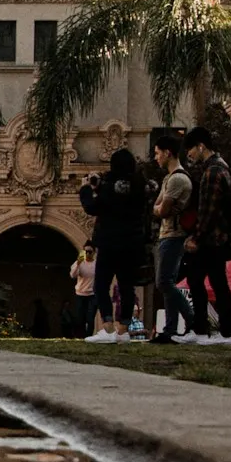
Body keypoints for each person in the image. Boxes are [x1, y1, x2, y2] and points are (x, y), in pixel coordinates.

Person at [77, 145, 148, 338]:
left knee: (101, 284)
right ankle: (124, 327)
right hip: (131, 243)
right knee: (126, 286)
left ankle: (107, 324)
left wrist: (86, 189)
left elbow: (92, 207)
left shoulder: (109, 187)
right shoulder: (138, 186)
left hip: (109, 242)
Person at [183, 124, 231, 338]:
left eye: (191, 149)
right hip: (217, 237)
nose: (189, 154)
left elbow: (209, 210)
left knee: (198, 280)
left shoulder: (212, 171)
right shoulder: (220, 167)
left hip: (210, 238)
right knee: (216, 282)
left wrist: (197, 237)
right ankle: (223, 330)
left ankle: (203, 329)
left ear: (200, 146)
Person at [149, 129, 196, 343]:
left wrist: (160, 208)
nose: (155, 157)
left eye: (157, 153)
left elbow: (162, 210)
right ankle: (169, 330)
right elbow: (156, 207)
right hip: (167, 234)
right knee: (166, 283)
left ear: (168, 153)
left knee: (164, 282)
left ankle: (192, 320)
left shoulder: (177, 179)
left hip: (174, 235)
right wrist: (159, 208)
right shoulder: (169, 178)